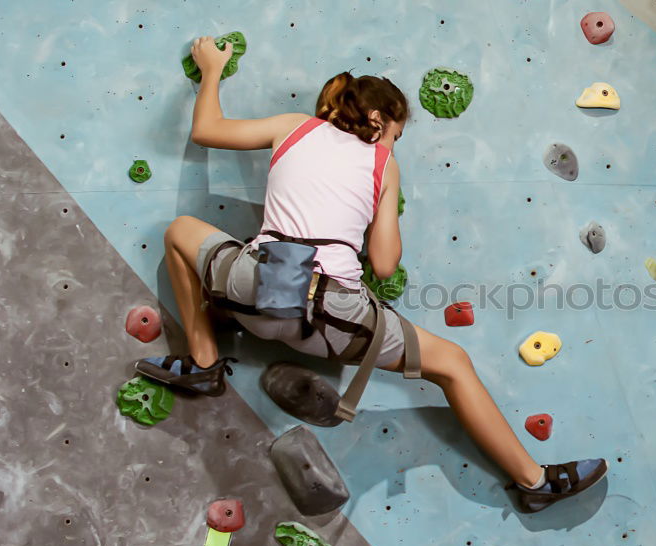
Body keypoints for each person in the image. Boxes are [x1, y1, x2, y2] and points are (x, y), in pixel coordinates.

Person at [135, 36, 607, 513]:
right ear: (379, 121)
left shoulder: (293, 127)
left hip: (256, 289)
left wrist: (212, 68)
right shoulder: (385, 162)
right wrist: (383, 199)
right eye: (396, 134)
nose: (394, 144)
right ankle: (534, 482)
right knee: (453, 364)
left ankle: (203, 361)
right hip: (330, 320)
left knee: (180, 231)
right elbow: (383, 265)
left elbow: (208, 129)